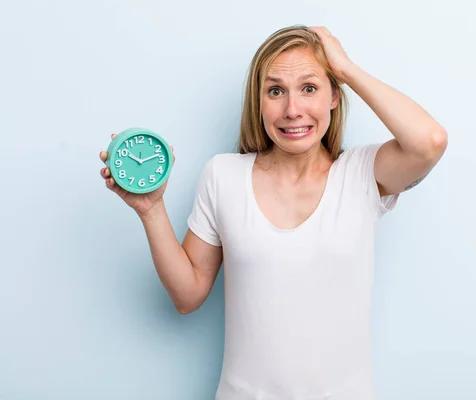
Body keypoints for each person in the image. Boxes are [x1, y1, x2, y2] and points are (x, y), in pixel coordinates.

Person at [99, 25, 447, 400]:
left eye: (310, 88)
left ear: (334, 95)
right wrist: (151, 210)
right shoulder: (223, 175)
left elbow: (429, 142)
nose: (293, 110)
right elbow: (188, 296)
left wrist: (345, 69)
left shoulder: (362, 173)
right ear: (259, 101)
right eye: (275, 91)